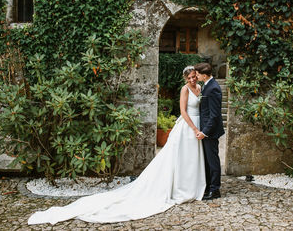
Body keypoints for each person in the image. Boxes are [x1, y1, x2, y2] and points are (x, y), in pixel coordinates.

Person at [28, 66, 205, 225]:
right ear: (185, 78)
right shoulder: (184, 90)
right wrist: (195, 128)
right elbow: (182, 111)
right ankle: (180, 189)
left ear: (196, 76)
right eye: (189, 77)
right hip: (187, 127)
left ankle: (191, 186)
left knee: (191, 159)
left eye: (193, 77)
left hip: (198, 127)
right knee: (180, 158)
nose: (192, 80)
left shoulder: (199, 88)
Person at [194, 63, 225, 200]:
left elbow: (214, 115)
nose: (196, 76)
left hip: (210, 132)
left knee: (213, 161)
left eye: (198, 74)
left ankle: (215, 189)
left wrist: (205, 132)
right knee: (207, 161)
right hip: (205, 130)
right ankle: (207, 187)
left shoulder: (213, 88)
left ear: (204, 75)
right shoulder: (207, 86)